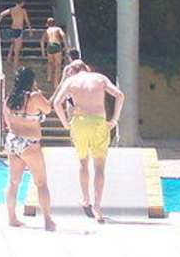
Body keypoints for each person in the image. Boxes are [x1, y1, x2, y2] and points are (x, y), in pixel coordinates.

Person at [52, 58, 125, 223]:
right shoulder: (100, 78)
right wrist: (114, 120)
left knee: (83, 162)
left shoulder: (71, 81)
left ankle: (86, 199)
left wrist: (65, 123)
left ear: (73, 71)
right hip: (98, 121)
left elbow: (56, 103)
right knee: (99, 166)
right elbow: (120, 95)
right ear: (86, 68)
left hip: (79, 123)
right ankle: (97, 207)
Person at [2, 68, 56, 231]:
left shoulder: (9, 99)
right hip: (30, 143)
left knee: (13, 182)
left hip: (13, 141)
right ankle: (47, 220)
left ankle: (12, 218)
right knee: (41, 183)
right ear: (31, 80)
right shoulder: (35, 97)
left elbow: (7, 122)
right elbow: (48, 109)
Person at [0, 0, 31, 71]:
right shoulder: (23, 10)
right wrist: (30, 30)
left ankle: (9, 57)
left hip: (13, 29)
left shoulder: (11, 9)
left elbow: (2, 14)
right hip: (19, 30)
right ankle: (15, 69)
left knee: (13, 43)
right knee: (17, 51)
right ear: (22, 2)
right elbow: (27, 20)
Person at [42, 18, 68, 88]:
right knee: (58, 65)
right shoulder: (58, 29)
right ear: (54, 23)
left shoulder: (47, 30)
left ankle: (49, 77)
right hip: (56, 45)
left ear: (47, 24)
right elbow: (63, 35)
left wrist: (43, 52)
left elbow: (42, 41)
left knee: (50, 63)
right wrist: (66, 46)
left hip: (49, 46)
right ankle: (56, 83)